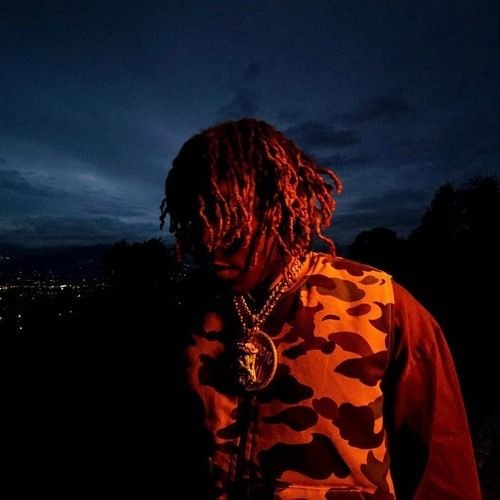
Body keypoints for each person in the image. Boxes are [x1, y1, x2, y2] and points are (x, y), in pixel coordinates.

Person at [160, 118, 481, 499]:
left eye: (227, 219)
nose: (207, 241)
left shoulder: (382, 305)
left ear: (277, 208)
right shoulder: (184, 317)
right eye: (193, 220)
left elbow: (444, 475)